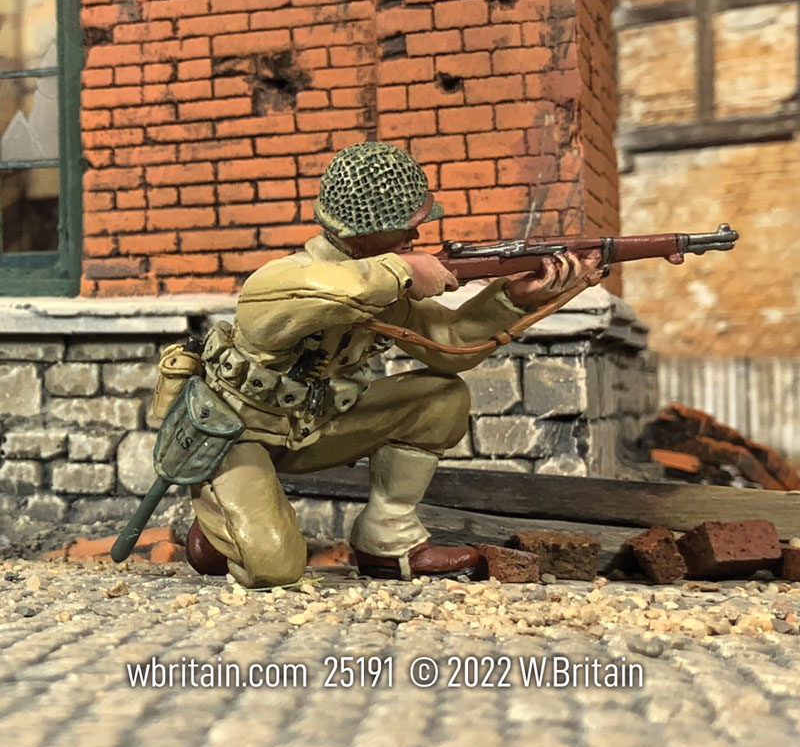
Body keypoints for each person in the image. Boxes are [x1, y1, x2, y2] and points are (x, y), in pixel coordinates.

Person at [182, 141, 604, 587]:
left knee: (440, 396)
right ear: (365, 230)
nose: (416, 238)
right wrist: (401, 271)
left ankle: (387, 541)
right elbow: (330, 291)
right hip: (235, 434)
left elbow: (448, 343)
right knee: (275, 569)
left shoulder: (377, 282)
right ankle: (222, 520)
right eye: (406, 228)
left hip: (317, 426)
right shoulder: (284, 282)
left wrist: (512, 299)